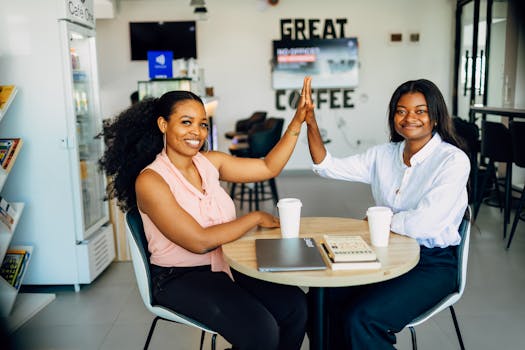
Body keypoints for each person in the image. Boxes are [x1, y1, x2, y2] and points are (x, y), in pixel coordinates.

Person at [99, 77, 314, 350]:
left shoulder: (209, 162)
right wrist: (255, 218)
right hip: (179, 277)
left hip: (226, 264)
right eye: (186, 122)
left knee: (294, 307)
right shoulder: (151, 181)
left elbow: (268, 167)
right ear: (163, 125)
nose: (197, 132)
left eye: (202, 124)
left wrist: (297, 122)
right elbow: (199, 241)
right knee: (260, 328)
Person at [304, 78, 470, 349]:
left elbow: (425, 224)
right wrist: (311, 122)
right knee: (322, 299)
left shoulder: (452, 160)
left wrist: (381, 221)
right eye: (401, 110)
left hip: (431, 264)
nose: (409, 118)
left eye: (420, 111)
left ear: (436, 117)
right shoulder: (383, 155)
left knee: (363, 318)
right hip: (385, 252)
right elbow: (327, 166)